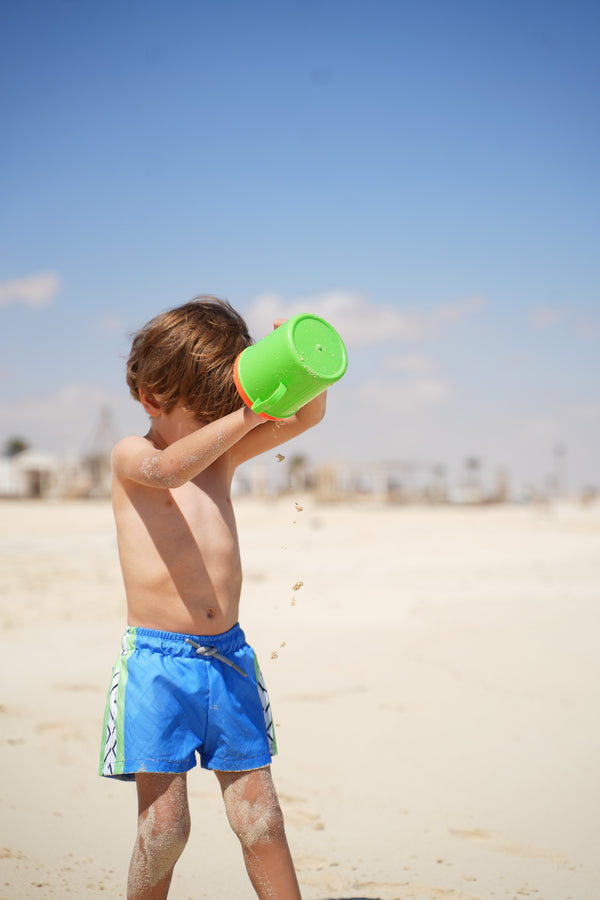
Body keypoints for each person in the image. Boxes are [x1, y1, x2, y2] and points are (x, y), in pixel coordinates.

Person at [98, 296, 326, 900]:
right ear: (152, 397)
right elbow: (170, 468)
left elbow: (304, 420)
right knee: (165, 828)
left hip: (227, 660)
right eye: (209, 412)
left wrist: (302, 368)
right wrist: (249, 417)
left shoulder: (222, 456)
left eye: (225, 410)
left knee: (262, 821)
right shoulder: (131, 456)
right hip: (157, 666)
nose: (222, 424)